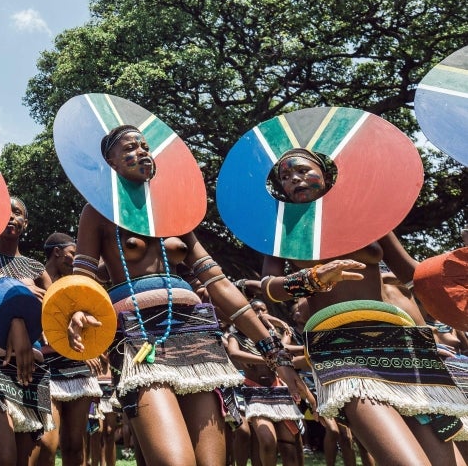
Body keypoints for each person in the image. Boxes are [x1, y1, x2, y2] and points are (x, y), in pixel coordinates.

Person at [66, 124, 310, 466]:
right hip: (141, 340)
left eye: (145, 146)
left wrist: (274, 352)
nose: (141, 152)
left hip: (197, 339)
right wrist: (77, 306)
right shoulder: (98, 212)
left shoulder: (174, 213)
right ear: (111, 162)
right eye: (130, 149)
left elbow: (219, 284)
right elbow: (84, 274)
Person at [261, 147, 468, 466]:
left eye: (302, 170)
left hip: (405, 346)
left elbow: (412, 274)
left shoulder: (367, 214)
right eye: (285, 177)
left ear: (327, 177)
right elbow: (269, 289)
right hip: (341, 349)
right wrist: (311, 278)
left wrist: (455, 271)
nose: (294, 179)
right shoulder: (280, 230)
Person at [0, 196, 52, 466]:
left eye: (17, 212)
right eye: (4, 211)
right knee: (1, 457)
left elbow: (56, 310)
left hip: (32, 363)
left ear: (25, 223)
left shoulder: (37, 268)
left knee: (31, 456)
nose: (11, 216)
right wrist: (15, 295)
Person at [37, 232, 103, 466]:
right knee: (46, 443)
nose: (76, 260)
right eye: (73, 254)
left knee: (75, 445)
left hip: (77, 367)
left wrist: (90, 350)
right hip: (45, 368)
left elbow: (88, 325)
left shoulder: (77, 284)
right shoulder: (34, 278)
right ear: (57, 252)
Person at [224, 300, 304, 466]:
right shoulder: (236, 336)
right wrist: (267, 359)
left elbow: (283, 350)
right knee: (267, 443)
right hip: (253, 392)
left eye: (262, 309)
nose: (259, 314)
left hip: (277, 390)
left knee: (289, 448)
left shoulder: (270, 337)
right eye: (255, 311)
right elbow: (234, 353)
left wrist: (308, 349)